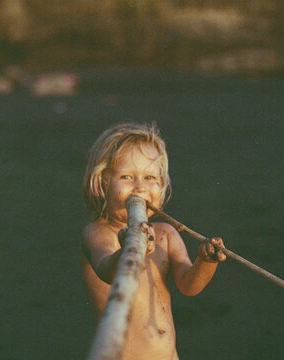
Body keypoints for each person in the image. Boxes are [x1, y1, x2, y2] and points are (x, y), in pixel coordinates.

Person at [80, 122, 226, 360]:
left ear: (162, 185)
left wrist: (206, 261)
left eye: (149, 178)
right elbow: (107, 269)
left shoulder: (165, 234)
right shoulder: (98, 233)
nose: (140, 188)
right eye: (126, 177)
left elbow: (189, 285)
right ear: (103, 182)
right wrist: (129, 246)